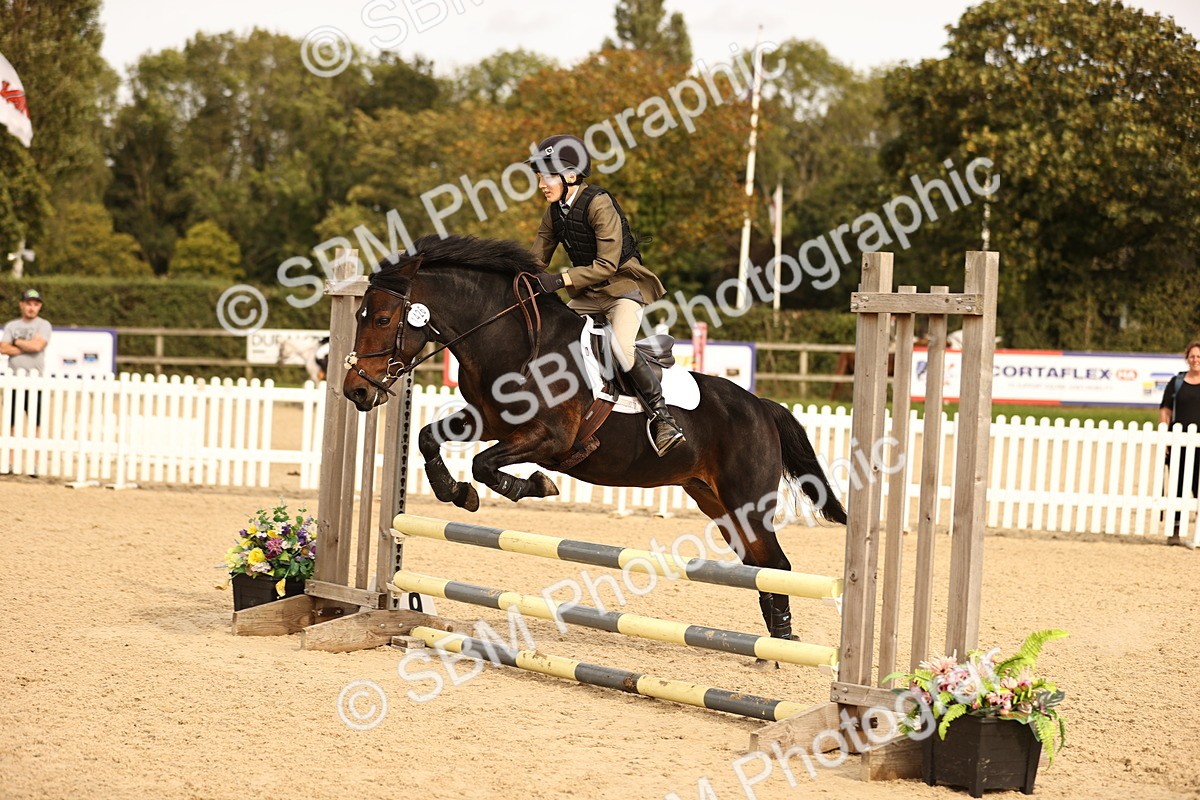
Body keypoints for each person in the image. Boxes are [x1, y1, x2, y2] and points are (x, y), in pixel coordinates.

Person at [524, 134, 685, 457]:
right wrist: (517, 280)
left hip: (622, 288)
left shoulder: (599, 202)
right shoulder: (554, 212)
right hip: (587, 293)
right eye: (539, 175)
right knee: (554, 336)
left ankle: (661, 416)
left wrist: (559, 280)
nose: (541, 183)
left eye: (547, 175)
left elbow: (607, 265)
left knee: (619, 346)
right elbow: (535, 259)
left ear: (571, 176)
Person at [2, 289, 52, 473]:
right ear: (21, 304)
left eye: (35, 304)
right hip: (13, 381)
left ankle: (37, 465)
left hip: (35, 382)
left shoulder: (44, 325)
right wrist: (27, 345)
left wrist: (17, 342)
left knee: (37, 423)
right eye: (28, 303)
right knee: (12, 423)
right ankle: (9, 463)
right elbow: (3, 348)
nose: (32, 307)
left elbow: (38, 345)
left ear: (39, 306)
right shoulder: (12, 325)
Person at [1158, 340, 1200, 546]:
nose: (1195, 360)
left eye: (1199, 357)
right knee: (1177, 485)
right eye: (1192, 356)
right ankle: (1174, 531)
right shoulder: (1176, 382)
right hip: (1178, 443)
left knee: (1197, 486)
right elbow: (1165, 410)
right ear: (1187, 358)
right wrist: (1165, 436)